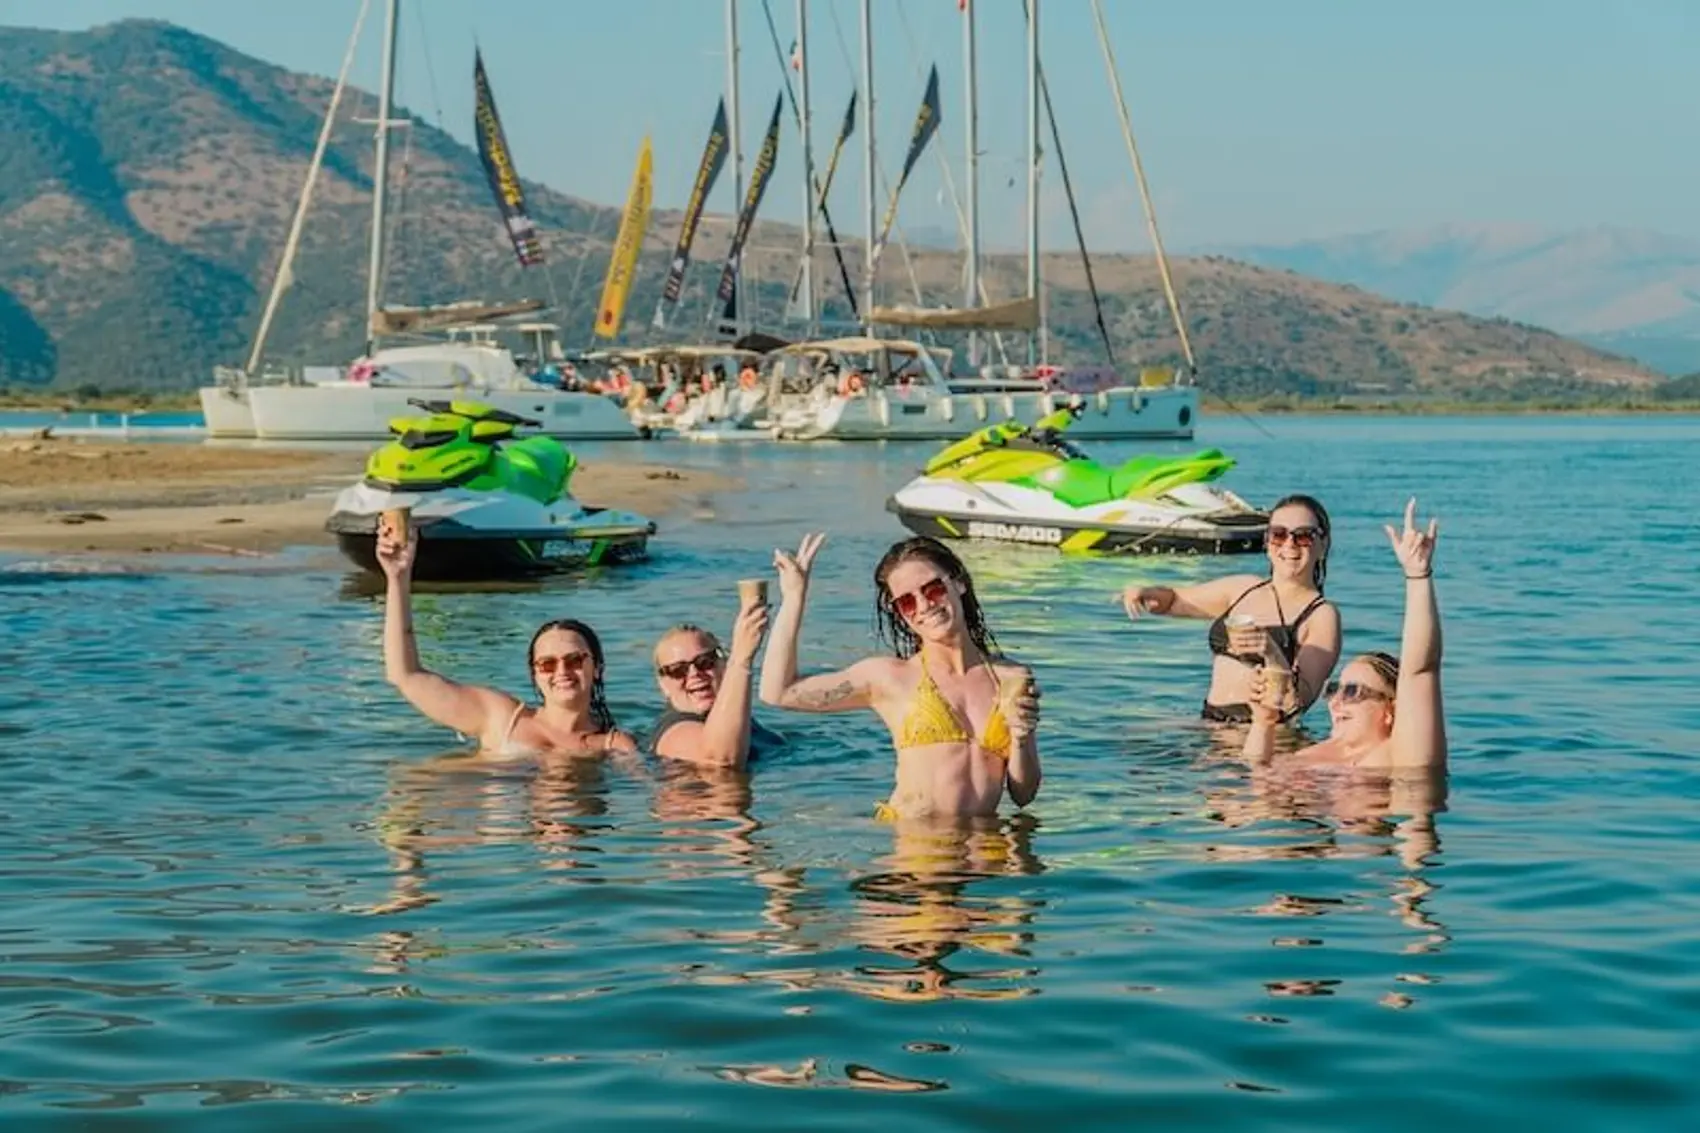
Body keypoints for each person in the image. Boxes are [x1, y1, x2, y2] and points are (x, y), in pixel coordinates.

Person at [759, 533, 1041, 820]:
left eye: (933, 589)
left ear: (959, 582)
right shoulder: (888, 678)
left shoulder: (1010, 677)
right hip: (917, 850)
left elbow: (1023, 795)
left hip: (984, 853)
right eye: (906, 602)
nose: (924, 606)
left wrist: (1020, 736)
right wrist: (794, 597)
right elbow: (777, 692)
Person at [376, 518, 636, 756]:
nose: (562, 671)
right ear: (534, 674)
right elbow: (405, 675)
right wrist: (398, 577)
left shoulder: (613, 744)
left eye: (575, 660)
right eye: (547, 664)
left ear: (598, 668)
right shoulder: (500, 718)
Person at [1244, 498, 1446, 774]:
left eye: (1353, 692)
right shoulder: (1316, 754)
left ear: (1391, 710)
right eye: (1334, 689)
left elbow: (1421, 669)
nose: (1336, 701)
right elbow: (1255, 776)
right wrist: (1263, 722)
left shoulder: (1399, 756)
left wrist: (1418, 576)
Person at [1122, 493, 1342, 722]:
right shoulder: (1242, 588)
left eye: (1303, 536)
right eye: (1279, 535)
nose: (1289, 544)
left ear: (1323, 544)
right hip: (1210, 723)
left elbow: (1298, 701)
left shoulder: (1321, 615)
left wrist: (1271, 651)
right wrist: (1145, 593)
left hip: (1262, 737)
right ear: (1267, 542)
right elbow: (1175, 599)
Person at [649, 592, 778, 769]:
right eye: (678, 671)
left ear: (722, 665)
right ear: (663, 684)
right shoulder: (673, 732)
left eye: (704, 662)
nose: (694, 674)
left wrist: (795, 594)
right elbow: (721, 759)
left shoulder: (739, 719)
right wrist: (741, 658)